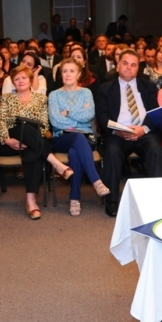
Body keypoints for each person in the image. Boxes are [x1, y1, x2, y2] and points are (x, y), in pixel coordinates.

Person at [0, 65, 74, 219]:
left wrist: (31, 137)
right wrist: (7, 139)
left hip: (33, 141)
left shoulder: (41, 99)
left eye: (24, 77)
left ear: (30, 80)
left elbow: (44, 125)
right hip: (9, 141)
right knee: (21, 126)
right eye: (16, 79)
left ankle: (30, 201)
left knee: (33, 150)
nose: (20, 81)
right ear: (13, 83)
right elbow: (1, 122)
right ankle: (56, 163)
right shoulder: (6, 98)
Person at [96, 49, 162, 217]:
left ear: (138, 69)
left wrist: (144, 129)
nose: (129, 67)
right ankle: (112, 200)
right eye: (125, 63)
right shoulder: (105, 89)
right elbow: (102, 116)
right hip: (118, 134)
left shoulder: (148, 86)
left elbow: (155, 112)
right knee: (112, 152)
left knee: (155, 149)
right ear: (117, 66)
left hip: (143, 132)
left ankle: (160, 199)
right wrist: (117, 130)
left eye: (133, 65)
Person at [49, 58, 111, 216]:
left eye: (72, 71)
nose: (67, 74)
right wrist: (77, 118)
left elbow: (89, 115)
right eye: (64, 71)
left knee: (75, 151)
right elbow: (55, 121)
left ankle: (74, 197)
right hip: (62, 137)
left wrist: (67, 112)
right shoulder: (54, 95)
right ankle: (96, 181)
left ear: (78, 74)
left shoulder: (86, 92)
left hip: (86, 137)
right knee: (77, 138)